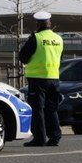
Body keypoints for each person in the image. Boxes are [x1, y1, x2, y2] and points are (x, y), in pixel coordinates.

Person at [19, 11, 63, 147]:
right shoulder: (58, 39)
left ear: (37, 24)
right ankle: (55, 137)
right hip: (54, 78)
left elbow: (23, 57)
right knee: (52, 109)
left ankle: (39, 138)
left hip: (37, 79)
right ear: (50, 24)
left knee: (38, 109)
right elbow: (60, 58)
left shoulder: (36, 38)